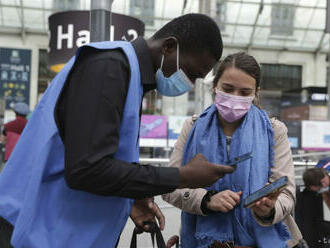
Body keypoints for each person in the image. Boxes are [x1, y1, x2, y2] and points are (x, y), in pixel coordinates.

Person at [0, 14, 236, 248]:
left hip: (57, 231)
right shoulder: (110, 67)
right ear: (169, 46)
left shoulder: (131, 78)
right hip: (31, 229)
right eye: (191, 73)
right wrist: (183, 176)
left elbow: (100, 158)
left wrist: (130, 196)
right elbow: (87, 169)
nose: (190, 84)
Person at [163, 52, 302, 248]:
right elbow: (170, 186)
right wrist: (207, 200)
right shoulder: (192, 127)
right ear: (215, 86)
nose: (235, 98)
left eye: (245, 92)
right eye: (228, 89)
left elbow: (287, 193)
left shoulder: (274, 131)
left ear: (256, 92)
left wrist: (268, 209)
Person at [295, 168, 330, 247]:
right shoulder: (314, 198)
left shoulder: (301, 195)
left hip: (304, 237)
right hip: (312, 239)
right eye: (322, 183)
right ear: (312, 186)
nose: (324, 185)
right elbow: (317, 221)